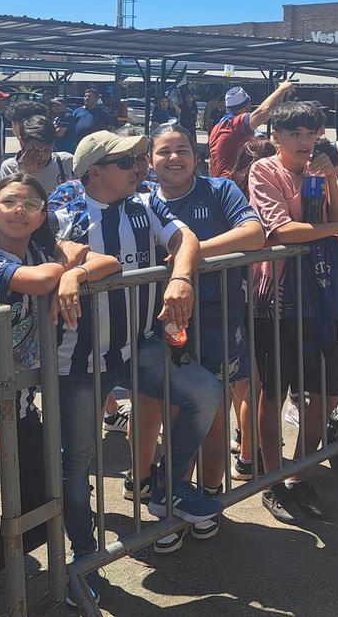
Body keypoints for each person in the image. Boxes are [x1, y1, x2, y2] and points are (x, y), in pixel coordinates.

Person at [48, 130, 217, 603]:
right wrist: (77, 267)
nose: (140, 167)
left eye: (139, 158)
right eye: (127, 161)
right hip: (77, 360)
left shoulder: (146, 206)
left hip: (137, 346)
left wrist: (181, 276)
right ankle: (82, 559)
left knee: (203, 393)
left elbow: (186, 238)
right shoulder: (65, 212)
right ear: (95, 172)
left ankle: (166, 488)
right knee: (77, 463)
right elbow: (54, 253)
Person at [0, 173, 114, 576]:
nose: (20, 211)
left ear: (41, 216)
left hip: (18, 402)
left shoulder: (40, 249)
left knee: (41, 498)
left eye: (31, 205)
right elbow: (39, 280)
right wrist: (66, 263)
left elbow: (107, 262)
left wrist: (75, 273)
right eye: (11, 202)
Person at [138, 123, 265, 551]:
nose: (175, 158)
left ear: (197, 155)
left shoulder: (220, 189)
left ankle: (211, 498)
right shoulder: (144, 201)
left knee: (213, 416)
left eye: (183, 150)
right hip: (164, 321)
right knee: (176, 415)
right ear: (150, 159)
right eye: (165, 152)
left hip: (217, 316)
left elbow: (254, 233)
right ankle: (173, 503)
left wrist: (191, 252)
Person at [246, 101, 338, 524]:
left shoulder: (320, 168)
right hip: (277, 297)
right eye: (294, 133)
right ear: (275, 137)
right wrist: (336, 231)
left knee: (325, 392)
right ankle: (272, 478)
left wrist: (331, 178)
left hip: (322, 292)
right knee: (274, 391)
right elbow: (282, 229)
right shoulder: (263, 171)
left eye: (309, 132)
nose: (304, 140)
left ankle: (300, 473)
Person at [208, 81, 295, 178]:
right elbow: (264, 111)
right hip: (233, 184)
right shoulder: (235, 124)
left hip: (222, 184)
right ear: (248, 105)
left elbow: (211, 162)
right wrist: (281, 89)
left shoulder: (218, 127)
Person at [0, 115, 75, 193]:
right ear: (22, 143)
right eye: (35, 150)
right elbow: (8, 201)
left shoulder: (65, 162)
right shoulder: (10, 168)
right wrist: (27, 174)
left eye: (47, 150)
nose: (42, 156)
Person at [59, 89, 116, 155]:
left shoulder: (103, 113)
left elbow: (110, 129)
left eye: (90, 96)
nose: (87, 98)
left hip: (95, 145)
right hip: (79, 144)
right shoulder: (78, 111)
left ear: (97, 98)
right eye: (85, 96)